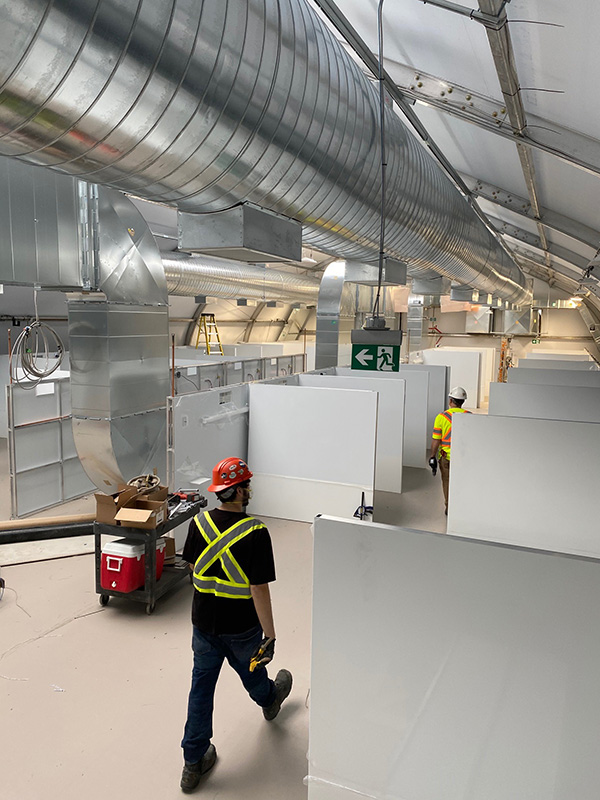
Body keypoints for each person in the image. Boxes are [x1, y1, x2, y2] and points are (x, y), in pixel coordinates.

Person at [180, 457, 292, 793]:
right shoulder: (255, 533)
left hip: (203, 624)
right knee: (252, 672)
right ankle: (270, 699)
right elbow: (258, 588)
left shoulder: (198, 524)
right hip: (241, 628)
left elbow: (191, 566)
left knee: (201, 688)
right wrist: (269, 635)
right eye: (247, 484)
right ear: (239, 491)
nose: (250, 489)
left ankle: (193, 762)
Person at [429, 387, 471, 515]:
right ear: (462, 402)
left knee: (447, 482)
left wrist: (432, 457)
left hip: (446, 458)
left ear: (451, 400)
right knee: (462, 482)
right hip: (463, 458)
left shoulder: (441, 417)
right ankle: (461, 506)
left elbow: (436, 440)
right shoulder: (469, 416)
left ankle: (449, 507)